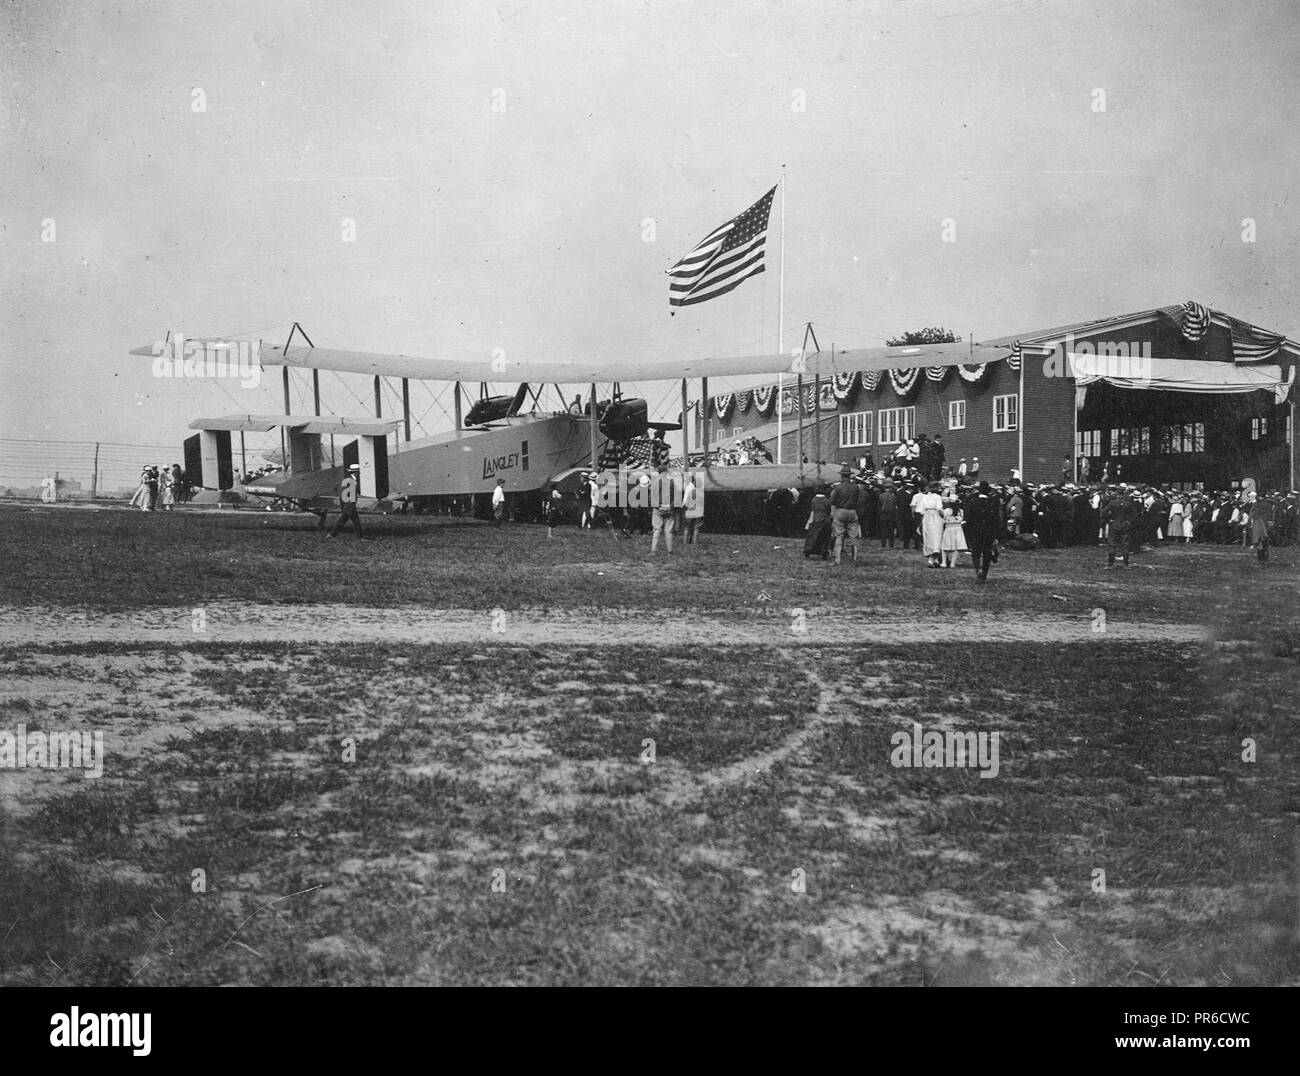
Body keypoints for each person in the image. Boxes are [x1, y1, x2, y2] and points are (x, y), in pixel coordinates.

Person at [964, 482, 1002, 582]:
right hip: (988, 531)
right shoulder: (992, 503)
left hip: (976, 530)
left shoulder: (972, 502)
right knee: (987, 553)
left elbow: (968, 519)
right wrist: (996, 534)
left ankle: (978, 568)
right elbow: (996, 520)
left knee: (975, 552)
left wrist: (969, 532)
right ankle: (984, 572)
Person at [829, 465, 861, 565]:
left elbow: (832, 501)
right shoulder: (855, 487)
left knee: (839, 536)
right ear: (850, 476)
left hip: (841, 511)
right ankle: (855, 559)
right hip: (852, 511)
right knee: (853, 536)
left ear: (842, 476)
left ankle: (837, 559)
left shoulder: (838, 488)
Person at [1101, 484, 1136, 568]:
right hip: (1124, 525)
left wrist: (1109, 520)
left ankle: (1110, 564)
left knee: (1112, 545)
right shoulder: (1127, 503)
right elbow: (1134, 514)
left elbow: (1103, 512)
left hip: (1114, 525)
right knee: (1125, 545)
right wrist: (1128, 521)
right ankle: (1126, 565)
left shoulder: (1112, 503)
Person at [327, 464, 364, 539]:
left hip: (348, 505)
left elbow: (342, 494)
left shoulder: (348, 480)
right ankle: (359, 537)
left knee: (343, 521)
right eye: (359, 472)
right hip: (349, 505)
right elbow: (345, 494)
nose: (359, 473)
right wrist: (349, 505)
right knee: (354, 521)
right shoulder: (352, 481)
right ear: (356, 472)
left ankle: (331, 535)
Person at [918, 483, 945, 567]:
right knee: (937, 536)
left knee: (928, 537)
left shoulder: (924, 497)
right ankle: (935, 559)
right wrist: (945, 515)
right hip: (936, 516)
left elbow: (920, 510)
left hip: (927, 516)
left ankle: (932, 559)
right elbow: (939, 508)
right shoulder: (938, 497)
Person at [804, 484, 832, 559]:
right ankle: (823, 551)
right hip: (824, 518)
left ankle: (808, 549)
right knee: (824, 536)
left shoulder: (814, 499)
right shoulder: (826, 500)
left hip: (815, 517)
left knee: (812, 535)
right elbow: (829, 510)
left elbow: (812, 510)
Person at [940, 498, 968, 568]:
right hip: (958, 528)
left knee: (945, 545)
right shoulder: (961, 511)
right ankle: (952, 563)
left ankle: (944, 562)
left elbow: (943, 518)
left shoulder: (947, 510)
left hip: (949, 528)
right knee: (956, 546)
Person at [683, 469, 704, 544]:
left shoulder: (690, 491)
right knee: (696, 528)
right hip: (698, 512)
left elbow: (686, 502)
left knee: (686, 528)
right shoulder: (702, 494)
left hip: (689, 511)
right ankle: (695, 543)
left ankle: (685, 543)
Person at [878, 480, 898, 549]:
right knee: (891, 530)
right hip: (891, 513)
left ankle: (883, 545)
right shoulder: (893, 497)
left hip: (883, 514)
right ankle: (891, 545)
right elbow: (895, 506)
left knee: (883, 530)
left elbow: (879, 505)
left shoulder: (881, 496)